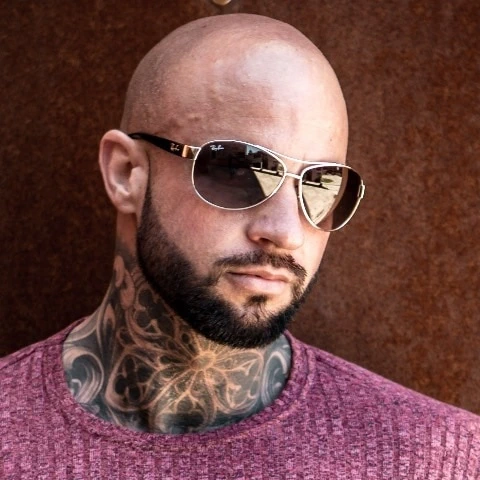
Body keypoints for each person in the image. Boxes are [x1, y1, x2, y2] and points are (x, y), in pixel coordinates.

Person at [1, 13, 479, 480]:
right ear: (126, 173)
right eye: (239, 169)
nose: (287, 233)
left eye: (321, 185)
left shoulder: (441, 460)